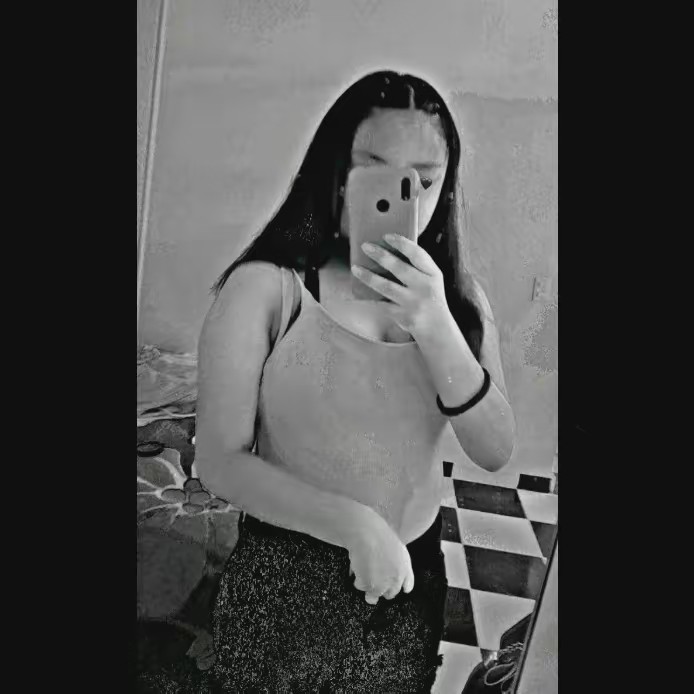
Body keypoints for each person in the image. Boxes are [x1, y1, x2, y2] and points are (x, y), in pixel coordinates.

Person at [195, 70, 516, 693]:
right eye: (374, 169)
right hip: (286, 578)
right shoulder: (268, 288)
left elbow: (495, 449)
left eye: (424, 180)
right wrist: (356, 525)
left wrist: (436, 324)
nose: (403, 195)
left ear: (446, 187)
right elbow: (219, 460)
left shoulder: (459, 302)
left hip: (413, 579)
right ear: (337, 173)